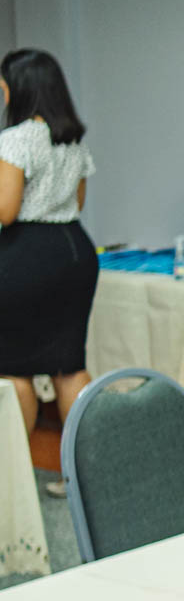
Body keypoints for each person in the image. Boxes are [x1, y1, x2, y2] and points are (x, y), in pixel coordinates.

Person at [0, 48, 98, 499]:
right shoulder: (71, 139)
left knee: (12, 368)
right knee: (69, 365)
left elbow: (6, 210)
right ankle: (82, 479)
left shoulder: (16, 139)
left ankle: (14, 484)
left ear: (19, 88)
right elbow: (78, 201)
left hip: (26, 254)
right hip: (75, 250)